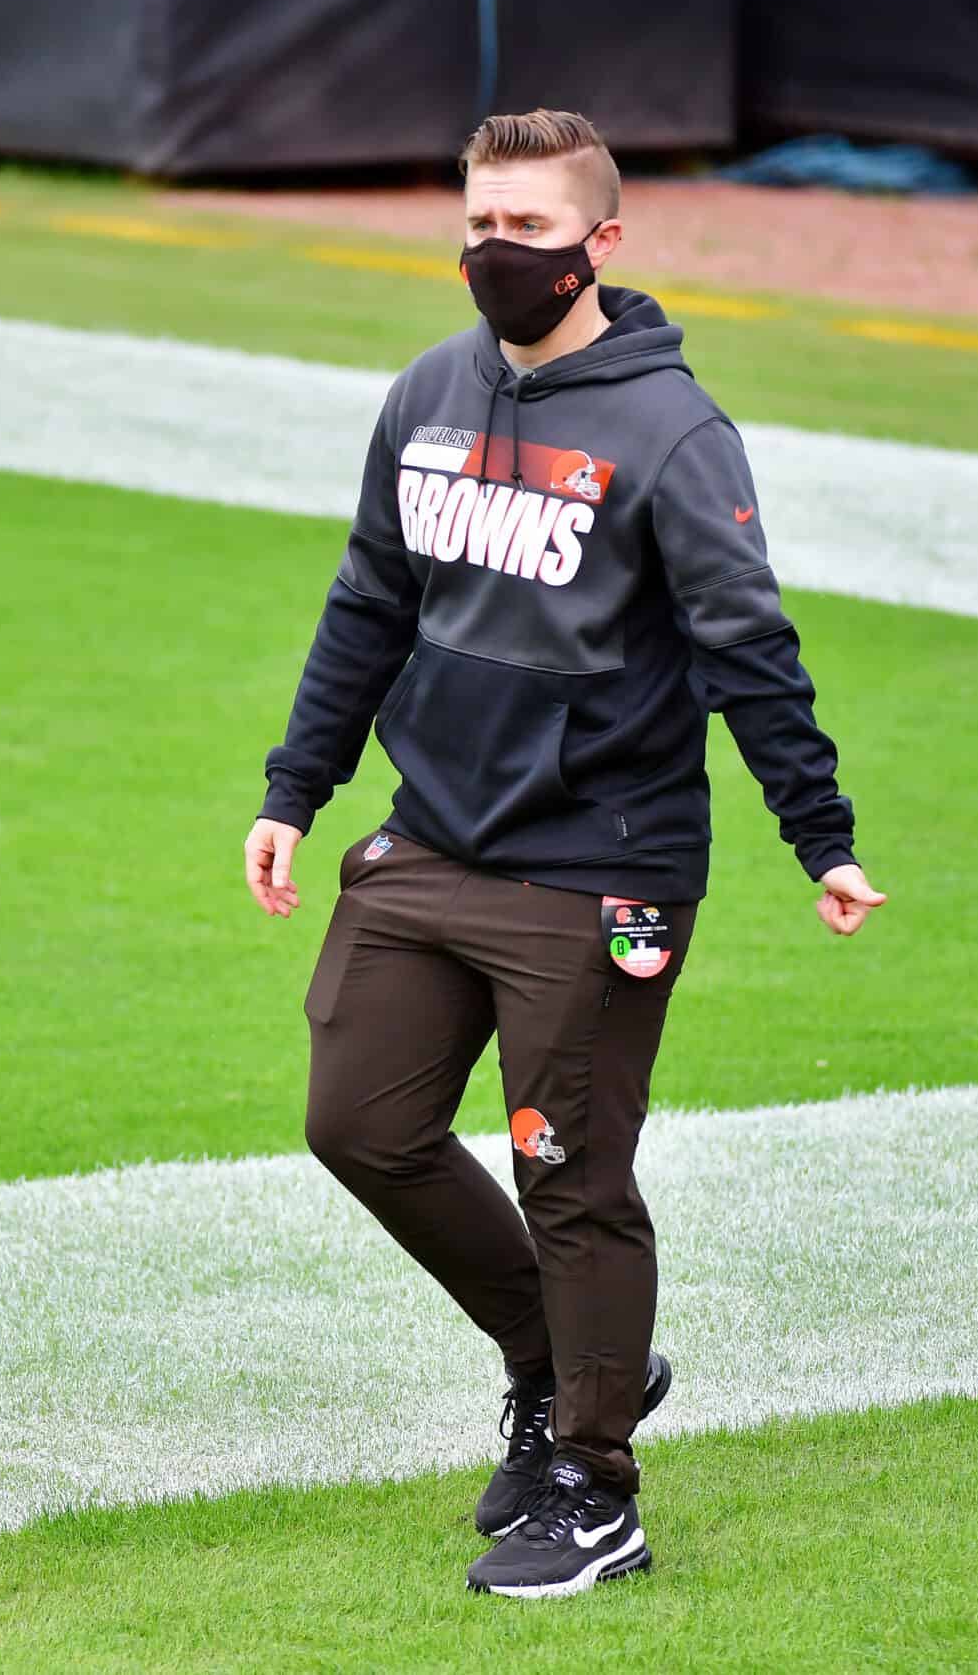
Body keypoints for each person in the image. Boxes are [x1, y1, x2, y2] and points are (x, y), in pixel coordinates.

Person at [241, 108, 886, 1599]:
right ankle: (573, 1356)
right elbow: (368, 603)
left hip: (599, 866)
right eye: (478, 221)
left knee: (572, 1175)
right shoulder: (429, 394)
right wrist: (298, 785)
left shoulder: (671, 431)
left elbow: (747, 647)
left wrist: (819, 837)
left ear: (601, 243)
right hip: (432, 845)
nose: (493, 252)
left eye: (526, 229)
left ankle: (595, 1485)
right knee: (363, 1123)